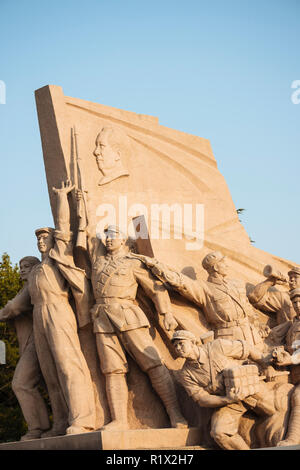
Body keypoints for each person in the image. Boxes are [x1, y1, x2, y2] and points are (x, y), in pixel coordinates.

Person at [75, 207, 188, 430]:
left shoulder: (133, 262)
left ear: (123, 240)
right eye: (106, 236)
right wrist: (80, 211)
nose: (108, 240)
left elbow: (155, 288)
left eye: (113, 236)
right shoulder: (98, 263)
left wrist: (166, 313)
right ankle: (119, 421)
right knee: (112, 370)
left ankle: (176, 415)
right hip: (103, 320)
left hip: (129, 317)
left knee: (154, 364)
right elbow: (82, 242)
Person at [12, 180, 96, 437]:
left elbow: (62, 227)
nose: (40, 241)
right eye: (37, 238)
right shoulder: (36, 270)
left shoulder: (59, 258)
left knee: (68, 365)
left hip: (59, 311)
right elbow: (16, 305)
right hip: (40, 315)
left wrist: (61, 197)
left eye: (44, 237)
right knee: (50, 373)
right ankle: (61, 421)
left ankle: (83, 419)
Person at [171, 330, 273, 450]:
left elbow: (247, 349)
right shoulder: (185, 374)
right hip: (230, 402)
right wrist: (227, 399)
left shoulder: (217, 346)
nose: (178, 348)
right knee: (219, 433)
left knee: (275, 410)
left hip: (250, 389)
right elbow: (201, 399)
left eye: (181, 343)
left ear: (193, 342)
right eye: (175, 346)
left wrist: (266, 365)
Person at [140, 251, 265, 348]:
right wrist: (160, 268)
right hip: (228, 336)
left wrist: (258, 326)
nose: (227, 265)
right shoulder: (204, 288)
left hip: (251, 333)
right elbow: (182, 283)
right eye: (223, 263)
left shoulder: (236, 283)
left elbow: (247, 308)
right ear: (215, 267)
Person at [0, 256, 50, 441]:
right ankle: (48, 425)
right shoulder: (26, 287)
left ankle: (37, 428)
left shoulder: (31, 286)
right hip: (31, 343)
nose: (22, 269)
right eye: (20, 266)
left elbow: (12, 308)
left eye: (27, 266)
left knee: (21, 383)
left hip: (35, 344)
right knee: (48, 386)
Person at [272, 288, 300, 446]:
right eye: (294, 302)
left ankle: (293, 439)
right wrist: (281, 354)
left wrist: (291, 359)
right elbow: (293, 346)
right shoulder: (293, 325)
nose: (297, 305)